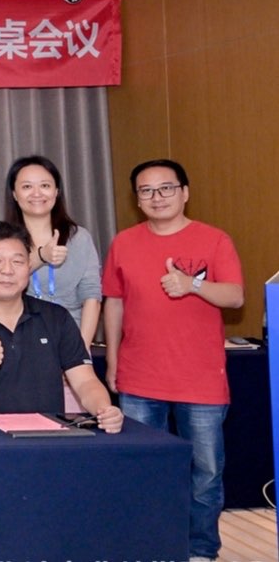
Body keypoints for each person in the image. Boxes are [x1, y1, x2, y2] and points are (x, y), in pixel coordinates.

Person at [104, 159, 243, 561]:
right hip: (139, 376)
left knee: (205, 472)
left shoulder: (214, 240)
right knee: (142, 468)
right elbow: (114, 302)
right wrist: (112, 360)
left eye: (166, 188)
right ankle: (148, 546)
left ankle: (200, 548)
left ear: (185, 192)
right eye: (146, 190)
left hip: (200, 379)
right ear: (137, 199)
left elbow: (235, 296)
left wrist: (193, 285)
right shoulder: (124, 242)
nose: (157, 197)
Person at [0, 221, 121, 431]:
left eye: (17, 261)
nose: (7, 270)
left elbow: (85, 382)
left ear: (29, 267)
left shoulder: (56, 317)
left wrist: (104, 410)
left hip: (45, 437)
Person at [3, 155, 101, 348]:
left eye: (45, 186)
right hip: (19, 340)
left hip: (70, 338)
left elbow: (91, 296)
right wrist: (41, 256)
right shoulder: (3, 239)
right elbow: (2, 282)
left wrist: (80, 350)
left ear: (56, 191)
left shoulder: (78, 237)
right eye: (27, 186)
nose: (37, 193)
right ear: (14, 193)